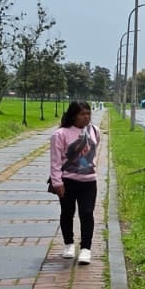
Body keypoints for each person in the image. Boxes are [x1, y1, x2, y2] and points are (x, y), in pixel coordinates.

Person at [49, 101, 100, 265]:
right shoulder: (60, 134)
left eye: (88, 113)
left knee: (87, 213)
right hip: (68, 181)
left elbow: (93, 150)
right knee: (67, 212)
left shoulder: (94, 130)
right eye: (82, 114)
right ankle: (68, 244)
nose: (86, 117)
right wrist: (57, 182)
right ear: (73, 115)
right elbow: (55, 161)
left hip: (89, 181)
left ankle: (86, 248)